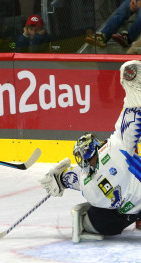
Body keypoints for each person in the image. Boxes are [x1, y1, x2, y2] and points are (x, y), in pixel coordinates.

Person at [40, 59, 141, 242]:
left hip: (124, 214)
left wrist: (61, 179)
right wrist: (134, 91)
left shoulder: (91, 182)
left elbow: (83, 180)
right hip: (133, 205)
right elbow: (131, 116)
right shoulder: (115, 147)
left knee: (96, 222)